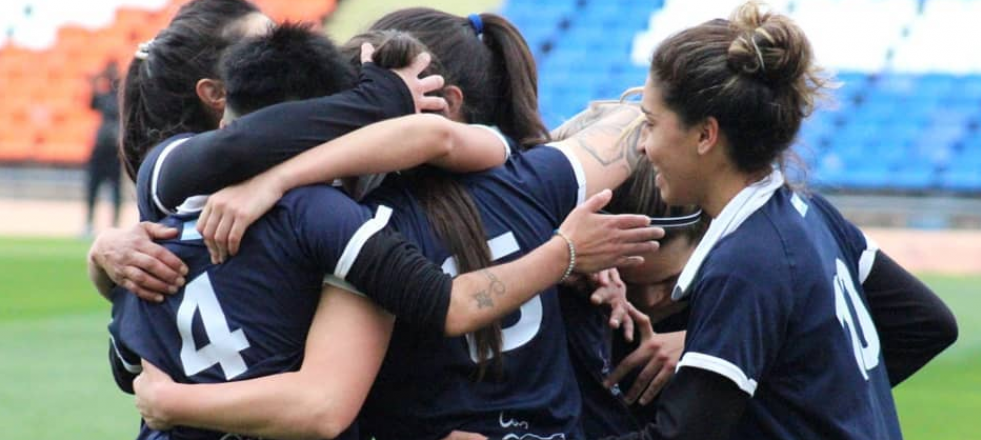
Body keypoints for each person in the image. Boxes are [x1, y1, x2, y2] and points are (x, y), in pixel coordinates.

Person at [103, 22, 660, 440]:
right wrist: (565, 251)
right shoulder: (530, 177)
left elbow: (130, 366)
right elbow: (639, 117)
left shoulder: (335, 218)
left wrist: (168, 399)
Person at [598, 2, 956, 439]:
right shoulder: (811, 215)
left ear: (705, 135)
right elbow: (926, 323)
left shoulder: (744, 262)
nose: (643, 146)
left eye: (652, 124)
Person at [84, 60, 122, 236]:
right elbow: (91, 104)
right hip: (101, 148)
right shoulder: (104, 96)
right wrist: (95, 82)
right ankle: (89, 223)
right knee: (93, 188)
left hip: (114, 149)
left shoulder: (120, 97)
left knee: (115, 190)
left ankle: (114, 224)